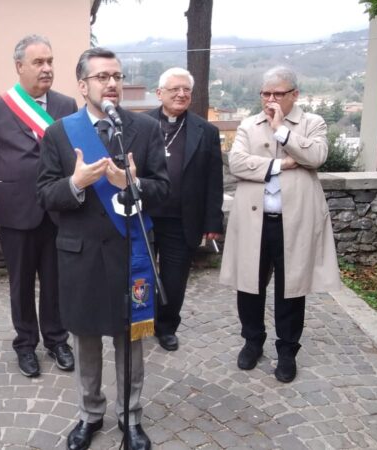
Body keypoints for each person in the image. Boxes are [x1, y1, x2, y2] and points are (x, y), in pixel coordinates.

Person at [37, 47, 169, 450]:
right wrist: (76, 183)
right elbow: (45, 194)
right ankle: (90, 414)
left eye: (116, 75)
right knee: (87, 339)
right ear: (82, 85)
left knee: (130, 339)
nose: (111, 83)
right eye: (101, 77)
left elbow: (163, 190)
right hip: (81, 256)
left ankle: (130, 418)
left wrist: (132, 183)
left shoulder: (144, 129)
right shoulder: (59, 133)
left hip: (130, 254)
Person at [219, 66, 341, 383]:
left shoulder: (312, 123)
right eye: (265, 94)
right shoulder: (248, 125)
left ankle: (287, 351)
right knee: (249, 285)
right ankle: (252, 341)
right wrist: (282, 163)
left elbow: (316, 156)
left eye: (278, 94)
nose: (270, 100)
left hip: (294, 221)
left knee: (291, 289)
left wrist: (282, 131)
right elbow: (237, 163)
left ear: (294, 95)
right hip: (254, 220)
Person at [0, 35, 77, 377]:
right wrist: (12, 186)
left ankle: (57, 339)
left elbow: (73, 157)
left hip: (58, 210)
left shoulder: (65, 106)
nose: (47, 68)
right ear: (19, 66)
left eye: (50, 61)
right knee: (20, 283)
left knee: (55, 280)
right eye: (38, 62)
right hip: (16, 212)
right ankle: (25, 344)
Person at [145, 67, 224, 351]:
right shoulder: (139, 124)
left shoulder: (207, 131)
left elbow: (214, 180)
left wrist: (213, 221)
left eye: (186, 90)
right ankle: (136, 321)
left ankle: (166, 327)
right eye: (174, 89)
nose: (181, 94)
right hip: (145, 216)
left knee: (174, 279)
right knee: (138, 272)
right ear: (159, 93)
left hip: (182, 218)